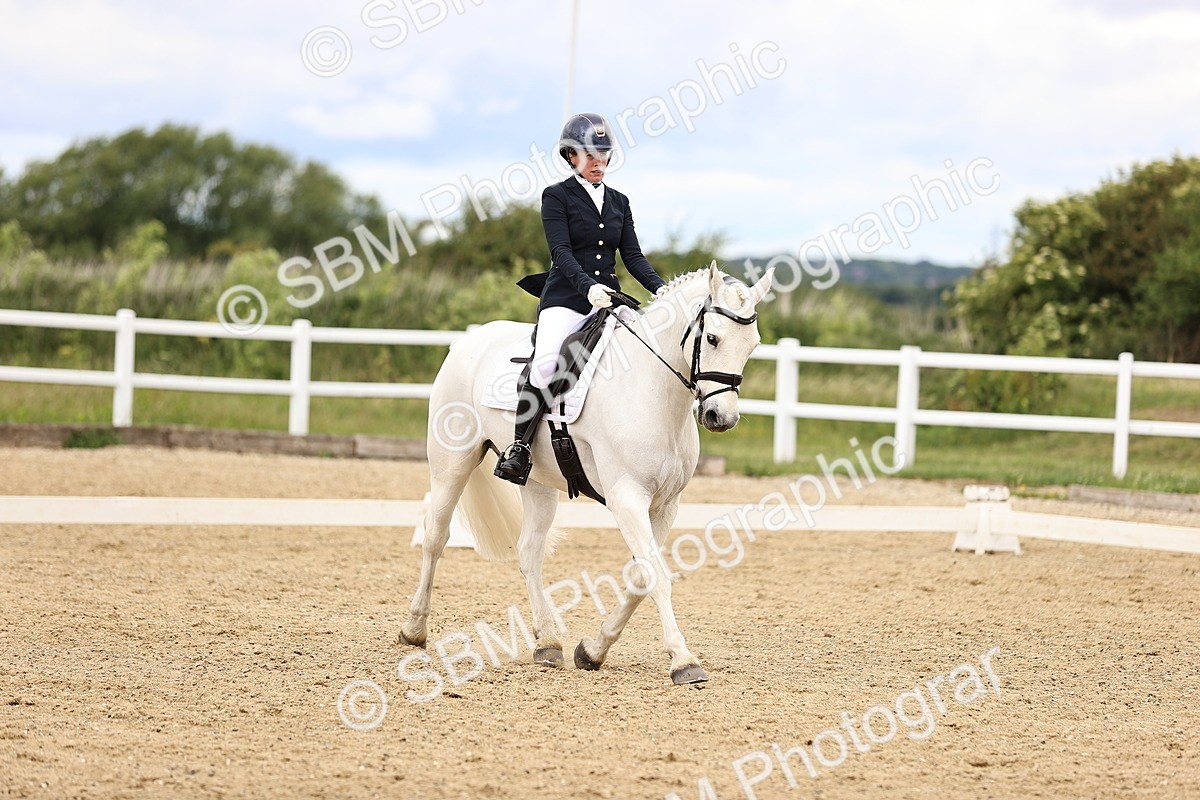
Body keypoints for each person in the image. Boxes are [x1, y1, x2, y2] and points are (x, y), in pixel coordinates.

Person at [494, 112, 669, 484]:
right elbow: (561, 252)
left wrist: (665, 291)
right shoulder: (556, 196)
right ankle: (519, 448)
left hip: (609, 299)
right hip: (566, 296)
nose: (598, 162)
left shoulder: (620, 201)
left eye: (603, 155)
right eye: (590, 155)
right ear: (571, 156)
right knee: (545, 365)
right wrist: (587, 286)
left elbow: (633, 257)